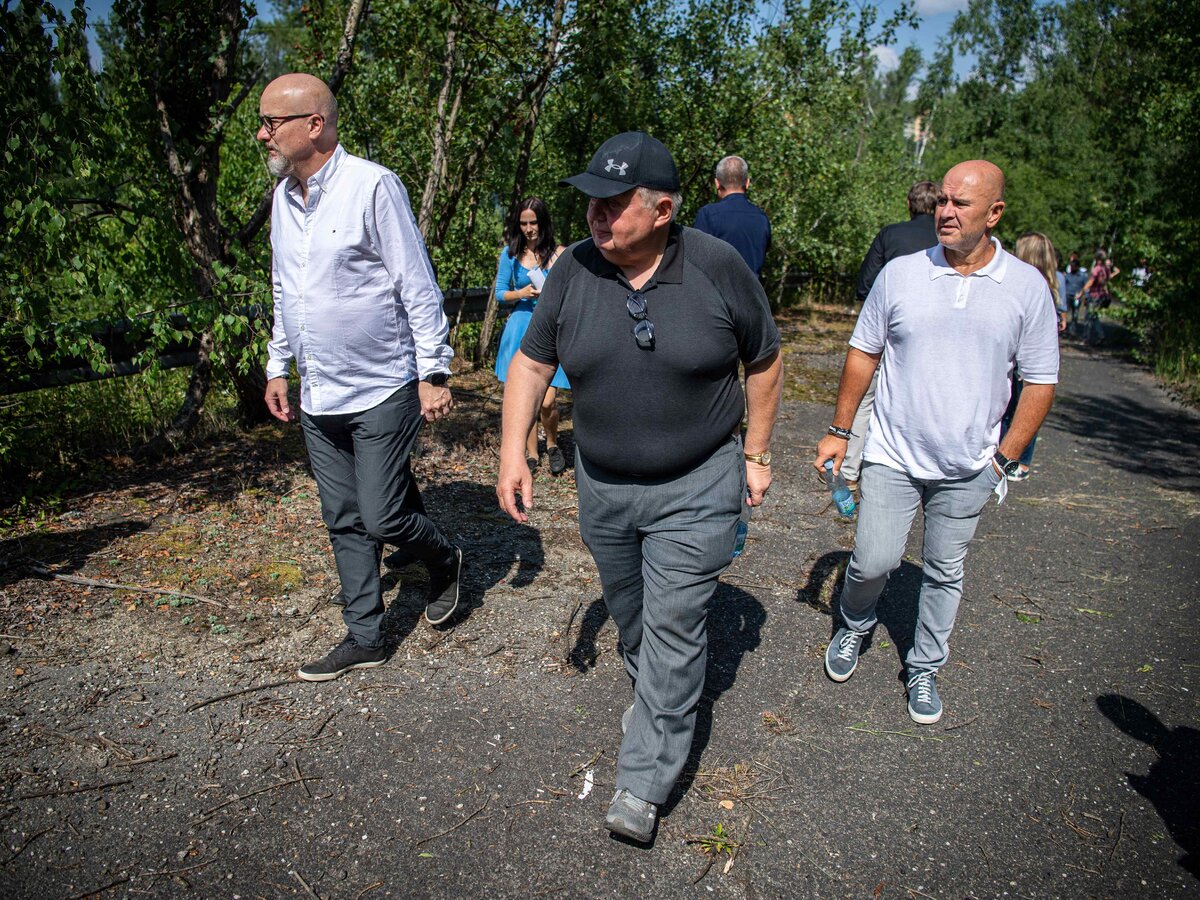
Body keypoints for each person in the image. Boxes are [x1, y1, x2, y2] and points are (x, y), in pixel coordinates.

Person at [496, 132, 782, 842]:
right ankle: (654, 691)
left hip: (697, 480)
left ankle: (643, 780)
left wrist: (758, 452)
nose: (597, 214)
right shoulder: (574, 271)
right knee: (633, 614)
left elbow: (766, 361)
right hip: (605, 482)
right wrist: (513, 453)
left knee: (677, 626)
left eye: (615, 203)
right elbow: (533, 365)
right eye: (592, 199)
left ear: (662, 210)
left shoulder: (716, 267)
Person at [814, 160, 1059, 725]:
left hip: (971, 463)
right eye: (943, 200)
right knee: (874, 560)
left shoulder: (1025, 288)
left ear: (994, 214)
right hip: (893, 454)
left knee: (945, 569)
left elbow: (1041, 380)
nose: (945, 212)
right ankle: (854, 625)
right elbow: (863, 352)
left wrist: (1003, 460)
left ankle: (924, 667)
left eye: (961, 204)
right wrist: (839, 429)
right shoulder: (901, 273)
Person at [259, 73, 463, 682]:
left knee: (379, 516)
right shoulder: (282, 202)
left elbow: (414, 280)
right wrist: (278, 365)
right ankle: (366, 635)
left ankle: (445, 556)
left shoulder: (372, 186)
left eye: (273, 122)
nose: (263, 135)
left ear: (314, 124)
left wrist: (433, 369)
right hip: (320, 391)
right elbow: (284, 291)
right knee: (343, 516)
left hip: (381, 386)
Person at [842, 181, 940, 489]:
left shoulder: (890, 235)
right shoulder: (947, 240)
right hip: (934, 336)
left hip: (886, 331)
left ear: (908, 203)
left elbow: (864, 284)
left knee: (865, 398)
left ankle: (849, 469)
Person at [493, 198, 570, 475]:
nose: (528, 228)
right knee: (526, 399)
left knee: (548, 400)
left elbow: (569, 291)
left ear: (543, 223)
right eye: (523, 223)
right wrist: (522, 293)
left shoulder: (559, 254)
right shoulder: (510, 254)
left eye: (533, 222)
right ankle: (532, 454)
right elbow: (500, 293)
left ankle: (552, 444)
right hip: (521, 325)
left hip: (550, 327)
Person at [1000, 232, 1065, 481]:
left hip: (1020, 358)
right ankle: (1018, 459)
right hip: (1031, 357)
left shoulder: (1027, 284)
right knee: (1021, 406)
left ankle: (1014, 457)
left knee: (1017, 406)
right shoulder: (1052, 283)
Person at [692, 155, 772, 277]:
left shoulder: (708, 215)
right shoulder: (762, 218)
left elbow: (696, 260)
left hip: (718, 294)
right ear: (747, 183)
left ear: (717, 183)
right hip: (752, 294)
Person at [1062, 252, 1088, 333]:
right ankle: (1064, 325)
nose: (1072, 268)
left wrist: (1085, 296)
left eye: (1074, 266)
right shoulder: (1068, 275)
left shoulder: (1083, 276)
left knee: (1075, 314)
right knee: (1065, 311)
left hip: (1077, 297)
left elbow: (1086, 286)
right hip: (1067, 295)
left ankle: (1073, 329)